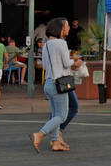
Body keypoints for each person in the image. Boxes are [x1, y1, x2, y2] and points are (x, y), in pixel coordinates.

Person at [31, 17, 81, 153]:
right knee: (61, 116)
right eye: (66, 26)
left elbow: (48, 65)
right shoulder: (61, 43)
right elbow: (66, 63)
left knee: (55, 114)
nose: (68, 28)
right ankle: (40, 134)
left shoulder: (47, 45)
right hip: (59, 83)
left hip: (48, 83)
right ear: (59, 29)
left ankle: (56, 142)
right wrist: (75, 62)